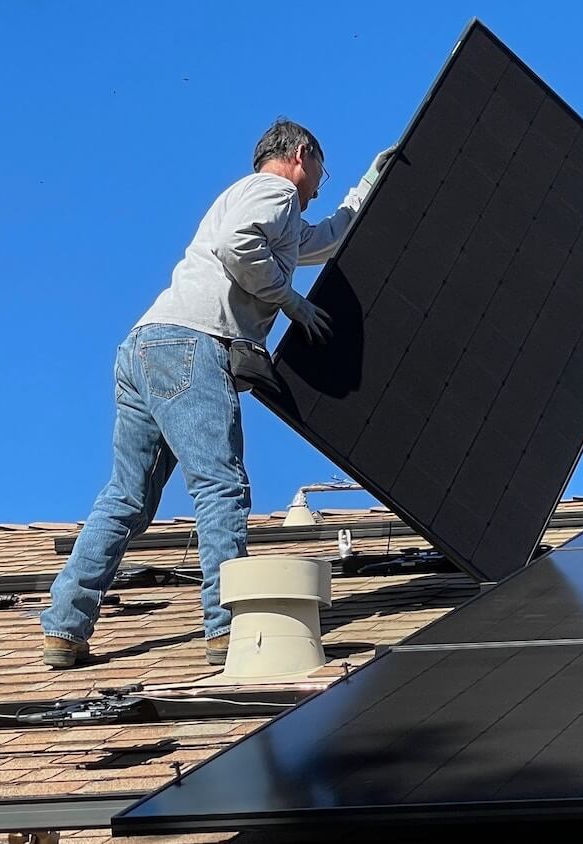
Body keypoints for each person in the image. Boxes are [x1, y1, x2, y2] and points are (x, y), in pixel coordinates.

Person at [40, 118, 395, 668]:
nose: (323, 181)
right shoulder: (274, 191)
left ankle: (64, 626)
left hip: (144, 347)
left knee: (126, 499)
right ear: (302, 155)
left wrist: (369, 185)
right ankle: (227, 629)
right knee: (220, 485)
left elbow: (322, 241)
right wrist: (291, 303)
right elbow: (238, 247)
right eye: (324, 169)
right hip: (191, 344)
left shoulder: (259, 203)